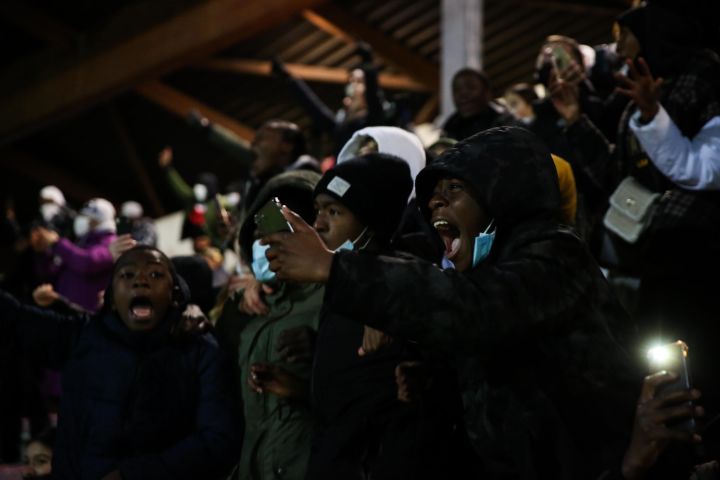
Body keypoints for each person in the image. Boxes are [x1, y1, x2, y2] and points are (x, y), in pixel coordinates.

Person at [262, 127, 637, 479]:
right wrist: (437, 379)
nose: (435, 201)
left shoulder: (555, 255)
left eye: (455, 187)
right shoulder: (485, 271)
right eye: (434, 192)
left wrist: (336, 267)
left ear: (503, 193)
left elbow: (476, 310)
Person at [0, 245, 240, 480]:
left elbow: (218, 439)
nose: (140, 281)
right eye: (127, 275)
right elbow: (15, 319)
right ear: (112, 298)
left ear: (174, 294)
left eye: (155, 274)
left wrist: (133, 474)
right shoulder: (82, 337)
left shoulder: (201, 350)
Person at [609, 2, 720, 408]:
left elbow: (705, 169)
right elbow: (620, 179)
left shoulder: (706, 77)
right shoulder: (648, 89)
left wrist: (654, 116)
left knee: (698, 358)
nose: (618, 50)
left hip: (699, 254)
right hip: (654, 253)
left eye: (625, 37)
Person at [215, 169, 322, 480]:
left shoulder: (338, 295)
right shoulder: (242, 305)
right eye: (260, 234)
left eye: (283, 230)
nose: (268, 244)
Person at [272, 44, 392, 154]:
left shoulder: (375, 120)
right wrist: (290, 79)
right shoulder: (341, 126)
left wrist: (368, 64)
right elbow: (315, 109)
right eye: (351, 82)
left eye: (359, 81)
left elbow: (373, 96)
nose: (352, 86)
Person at [32, 198, 116, 312]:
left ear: (100, 221)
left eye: (88, 218)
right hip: (62, 311)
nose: (81, 220)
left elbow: (88, 263)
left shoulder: (111, 243)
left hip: (83, 317)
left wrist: (56, 243)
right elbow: (51, 273)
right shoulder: (81, 242)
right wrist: (43, 252)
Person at [440, 67, 514, 141]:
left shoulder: (505, 123)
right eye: (457, 90)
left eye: (471, 88)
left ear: (487, 92)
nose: (463, 94)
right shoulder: (450, 126)